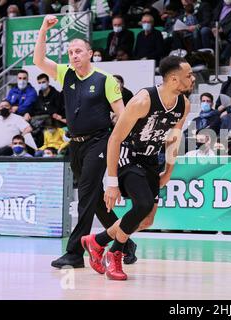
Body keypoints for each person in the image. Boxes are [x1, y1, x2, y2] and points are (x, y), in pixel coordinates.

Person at [33, 15, 137, 269]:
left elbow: (123, 116)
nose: (74, 55)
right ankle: (125, 241)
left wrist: (120, 144)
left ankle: (74, 252)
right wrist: (43, 29)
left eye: (78, 51)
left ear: (90, 53)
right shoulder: (65, 73)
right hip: (75, 144)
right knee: (95, 199)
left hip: (99, 141)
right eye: (70, 52)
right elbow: (38, 60)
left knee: (87, 195)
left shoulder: (105, 80)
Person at [81, 56, 194, 280]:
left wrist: (168, 172)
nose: (192, 78)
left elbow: (173, 139)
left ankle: (97, 241)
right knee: (142, 204)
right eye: (188, 75)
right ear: (173, 79)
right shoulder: (143, 100)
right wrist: (111, 182)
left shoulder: (184, 104)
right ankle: (115, 254)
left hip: (151, 160)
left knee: (146, 220)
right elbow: (115, 139)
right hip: (127, 155)